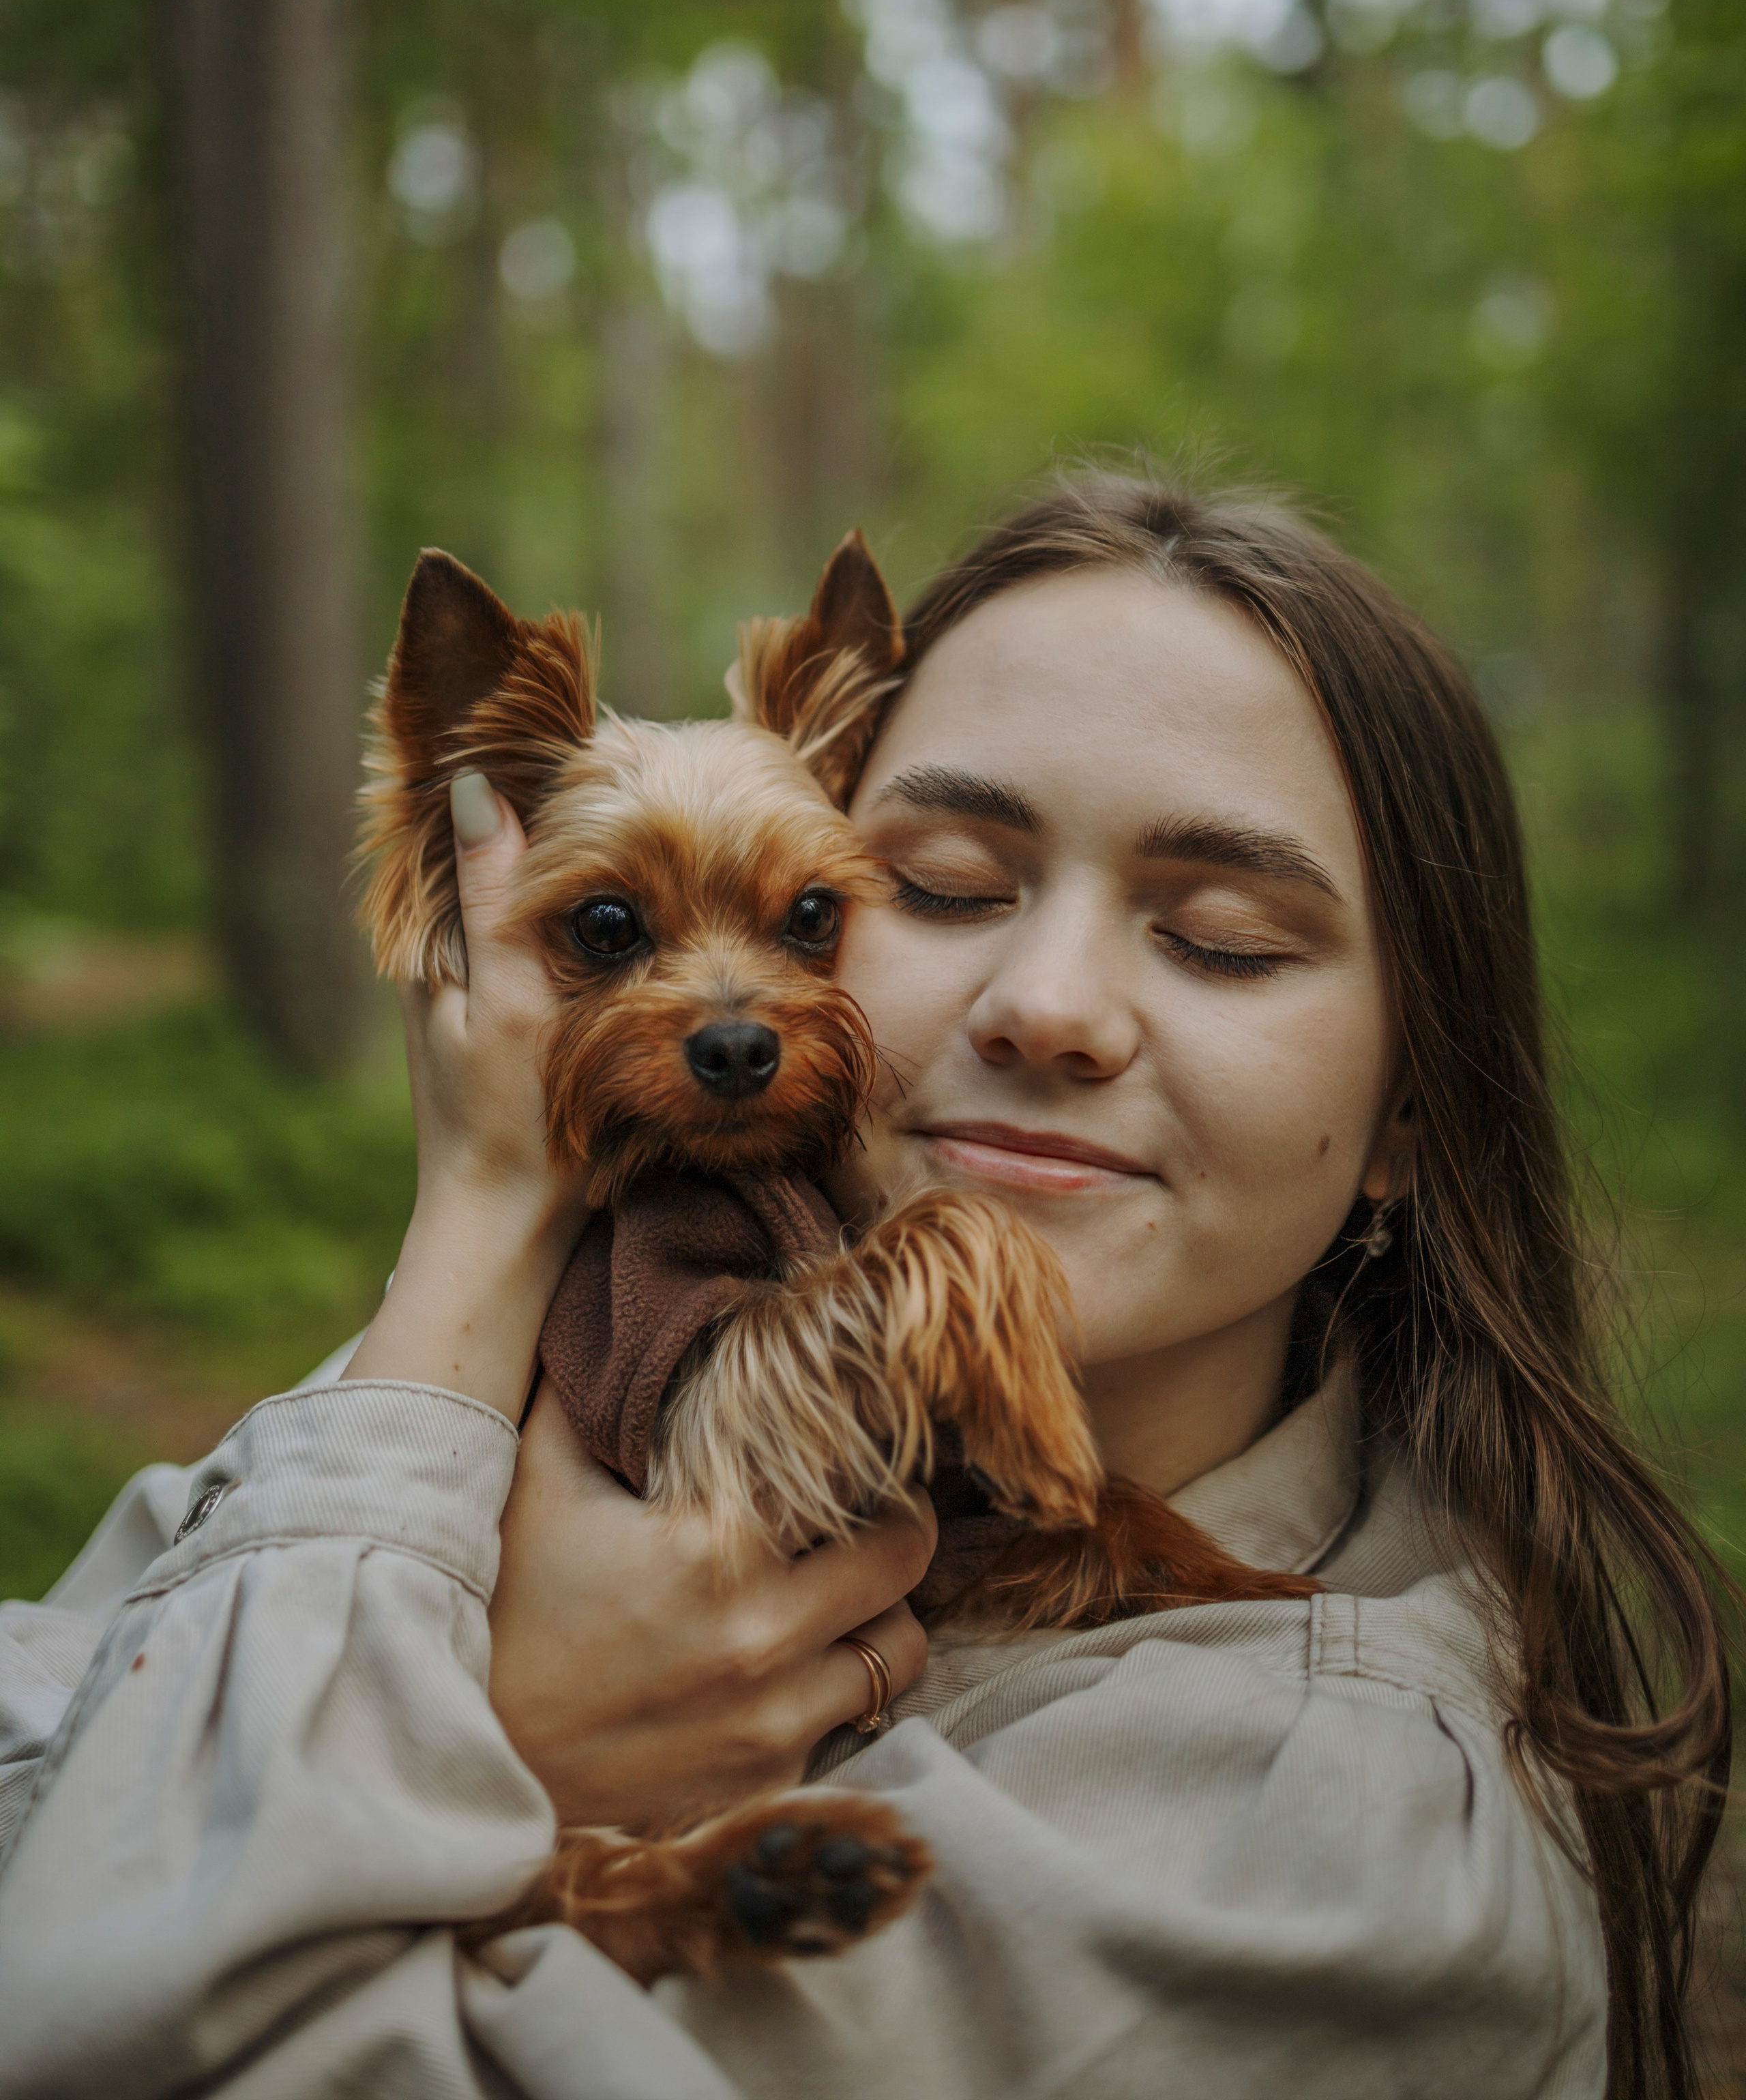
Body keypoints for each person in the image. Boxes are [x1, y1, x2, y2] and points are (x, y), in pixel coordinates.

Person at [0, 471, 1728, 2100]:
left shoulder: (1332, 1850)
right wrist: (481, 1228)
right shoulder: (526, 1347)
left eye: (1218, 937)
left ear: (1409, 1113)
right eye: (939, 887)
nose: (1047, 1004)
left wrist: (422, 1743)